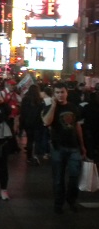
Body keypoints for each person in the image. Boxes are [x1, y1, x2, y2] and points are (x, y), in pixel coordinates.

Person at [42, 82, 86, 214]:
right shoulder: (49, 108)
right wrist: (54, 106)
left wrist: (82, 145)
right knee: (58, 179)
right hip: (58, 147)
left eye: (62, 92)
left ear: (67, 92)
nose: (60, 95)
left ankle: (71, 200)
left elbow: (77, 126)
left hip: (74, 147)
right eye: (57, 92)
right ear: (54, 94)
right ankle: (58, 204)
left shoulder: (73, 107)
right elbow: (46, 122)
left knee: (74, 176)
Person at [20, 84, 45, 166]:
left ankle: (29, 157)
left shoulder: (25, 99)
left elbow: (22, 112)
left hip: (27, 122)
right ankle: (36, 155)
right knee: (36, 140)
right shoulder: (40, 100)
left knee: (29, 140)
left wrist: (21, 124)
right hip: (37, 122)